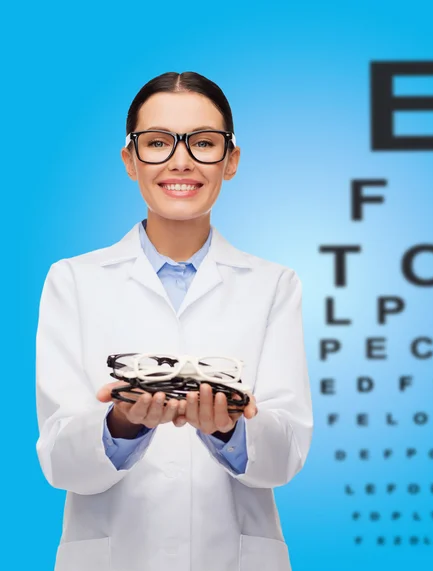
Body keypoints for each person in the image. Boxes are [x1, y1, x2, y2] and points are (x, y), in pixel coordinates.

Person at [35, 71, 313, 571]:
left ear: (231, 161)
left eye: (203, 143)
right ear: (130, 160)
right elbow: (58, 458)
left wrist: (230, 430)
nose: (180, 161)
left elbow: (286, 453)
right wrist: (121, 424)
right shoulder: (72, 280)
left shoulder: (274, 284)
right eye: (158, 142)